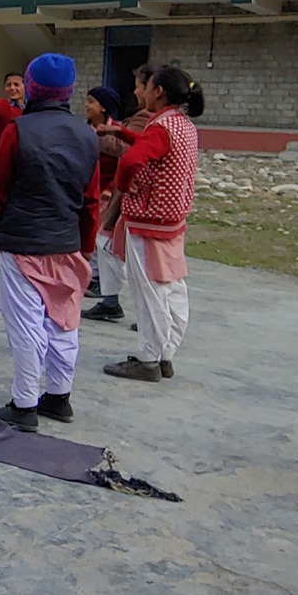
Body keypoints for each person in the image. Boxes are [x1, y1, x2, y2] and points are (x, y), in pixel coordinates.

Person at [0, 54, 100, 433]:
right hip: (67, 241)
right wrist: (87, 246)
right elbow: (91, 200)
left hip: (23, 241)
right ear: (69, 90)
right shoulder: (87, 135)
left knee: (26, 324)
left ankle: (24, 403)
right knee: (64, 319)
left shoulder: (18, 130)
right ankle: (59, 397)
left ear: (31, 86)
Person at [101, 64, 204, 382]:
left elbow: (133, 159)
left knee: (148, 291)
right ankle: (165, 354)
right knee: (171, 286)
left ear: (158, 91)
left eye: (144, 87)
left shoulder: (161, 128)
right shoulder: (181, 124)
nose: (139, 91)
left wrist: (124, 181)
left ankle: (148, 358)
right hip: (171, 219)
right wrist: (123, 132)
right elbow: (153, 148)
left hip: (148, 219)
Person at [85, 67, 153, 322]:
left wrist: (97, 135)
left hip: (137, 197)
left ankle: (151, 321)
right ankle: (111, 301)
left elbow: (129, 152)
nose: (135, 91)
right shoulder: (146, 118)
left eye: (139, 86)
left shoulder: (150, 120)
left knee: (137, 255)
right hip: (128, 194)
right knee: (109, 244)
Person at [81, 85, 124, 299]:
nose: (86, 105)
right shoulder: (81, 129)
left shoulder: (117, 132)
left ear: (104, 108)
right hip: (82, 190)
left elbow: (121, 165)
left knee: (100, 239)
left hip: (105, 193)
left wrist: (110, 190)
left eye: (91, 101)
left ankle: (98, 280)